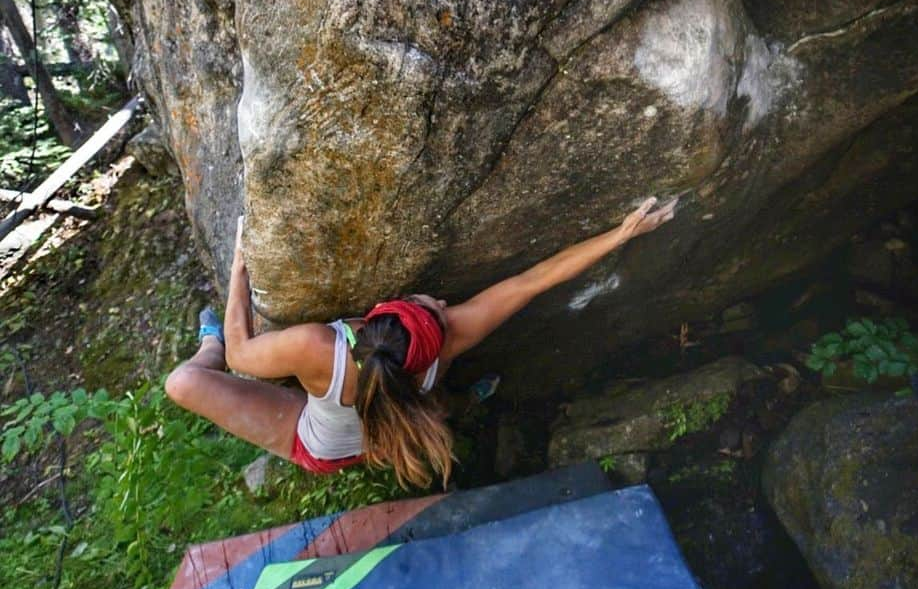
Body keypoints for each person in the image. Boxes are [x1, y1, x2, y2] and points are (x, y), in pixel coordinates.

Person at [165, 196, 677, 488]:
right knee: (428, 406)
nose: (437, 300)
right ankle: (468, 401)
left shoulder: (321, 349)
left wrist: (241, 262)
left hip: (317, 443)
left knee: (183, 382)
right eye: (433, 304)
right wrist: (620, 235)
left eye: (431, 304)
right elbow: (533, 282)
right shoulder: (448, 344)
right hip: (387, 432)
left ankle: (199, 343)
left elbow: (238, 353)